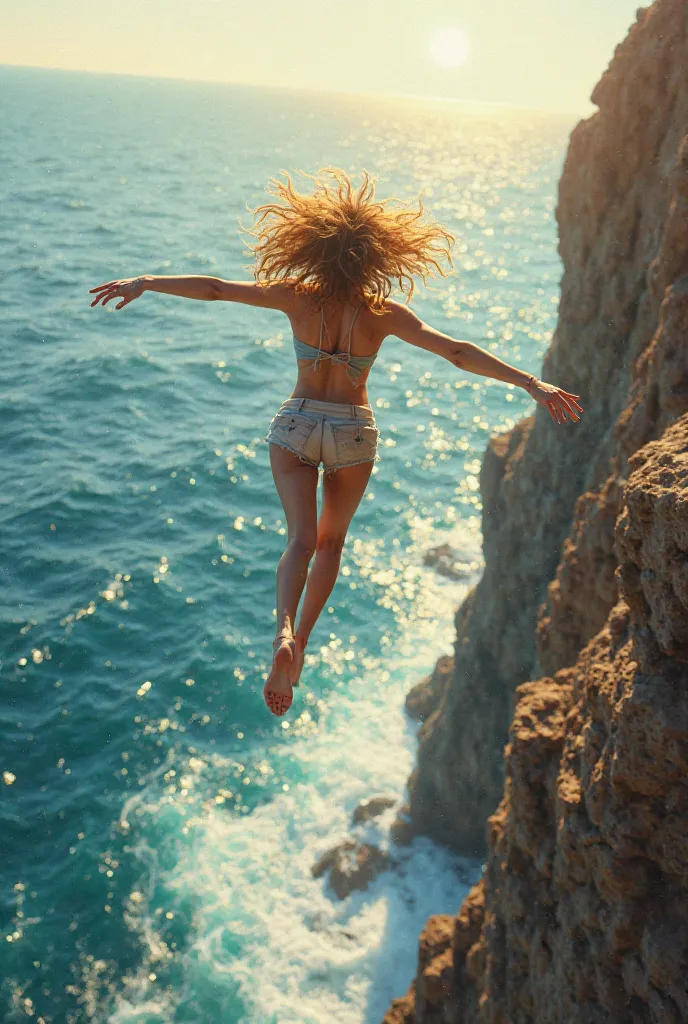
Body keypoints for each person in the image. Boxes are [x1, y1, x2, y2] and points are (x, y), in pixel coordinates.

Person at [89, 168, 583, 718]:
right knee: (330, 544)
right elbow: (458, 352)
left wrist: (148, 281)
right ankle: (301, 641)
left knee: (298, 541)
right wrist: (530, 383)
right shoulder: (383, 314)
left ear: (314, 248)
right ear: (376, 258)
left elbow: (215, 289)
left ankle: (280, 631)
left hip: (296, 423)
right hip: (351, 430)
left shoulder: (297, 298)